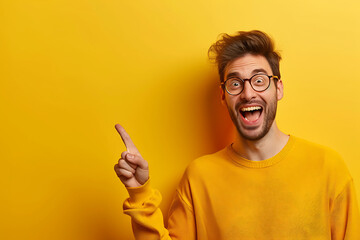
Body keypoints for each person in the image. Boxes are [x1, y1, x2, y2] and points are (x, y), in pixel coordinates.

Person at [114, 30, 360, 239]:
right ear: (223, 96)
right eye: (235, 83)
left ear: (279, 88)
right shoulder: (199, 178)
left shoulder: (328, 168)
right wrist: (139, 192)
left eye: (259, 80)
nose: (247, 93)